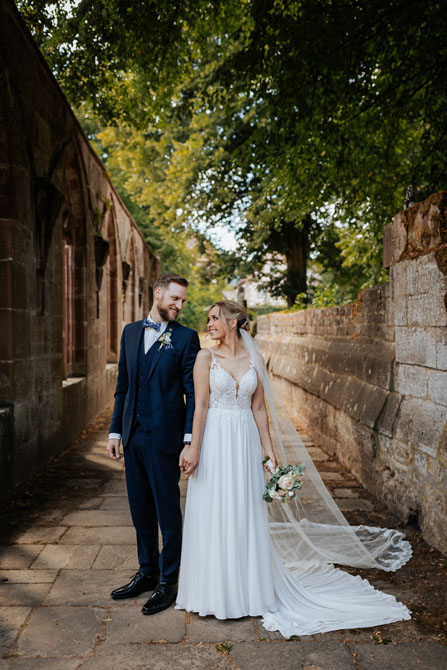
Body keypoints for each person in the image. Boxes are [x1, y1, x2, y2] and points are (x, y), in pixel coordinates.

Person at [176, 300, 411, 637]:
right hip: (214, 441)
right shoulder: (204, 358)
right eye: (208, 318)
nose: (209, 323)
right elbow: (199, 406)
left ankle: (248, 590)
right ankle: (213, 592)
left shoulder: (254, 359)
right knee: (215, 511)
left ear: (233, 322)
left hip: (243, 444)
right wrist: (194, 447)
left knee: (244, 513)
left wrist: (269, 455)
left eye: (214, 318)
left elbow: (259, 410)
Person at [107, 272, 200, 615]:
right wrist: (115, 432)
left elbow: (194, 394)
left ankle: (168, 581)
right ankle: (146, 572)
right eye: (174, 298)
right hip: (132, 437)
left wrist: (189, 441)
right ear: (158, 294)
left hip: (165, 440)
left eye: (182, 301)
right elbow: (123, 386)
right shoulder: (131, 332)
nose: (179, 305)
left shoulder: (187, 338)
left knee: (167, 513)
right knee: (140, 512)